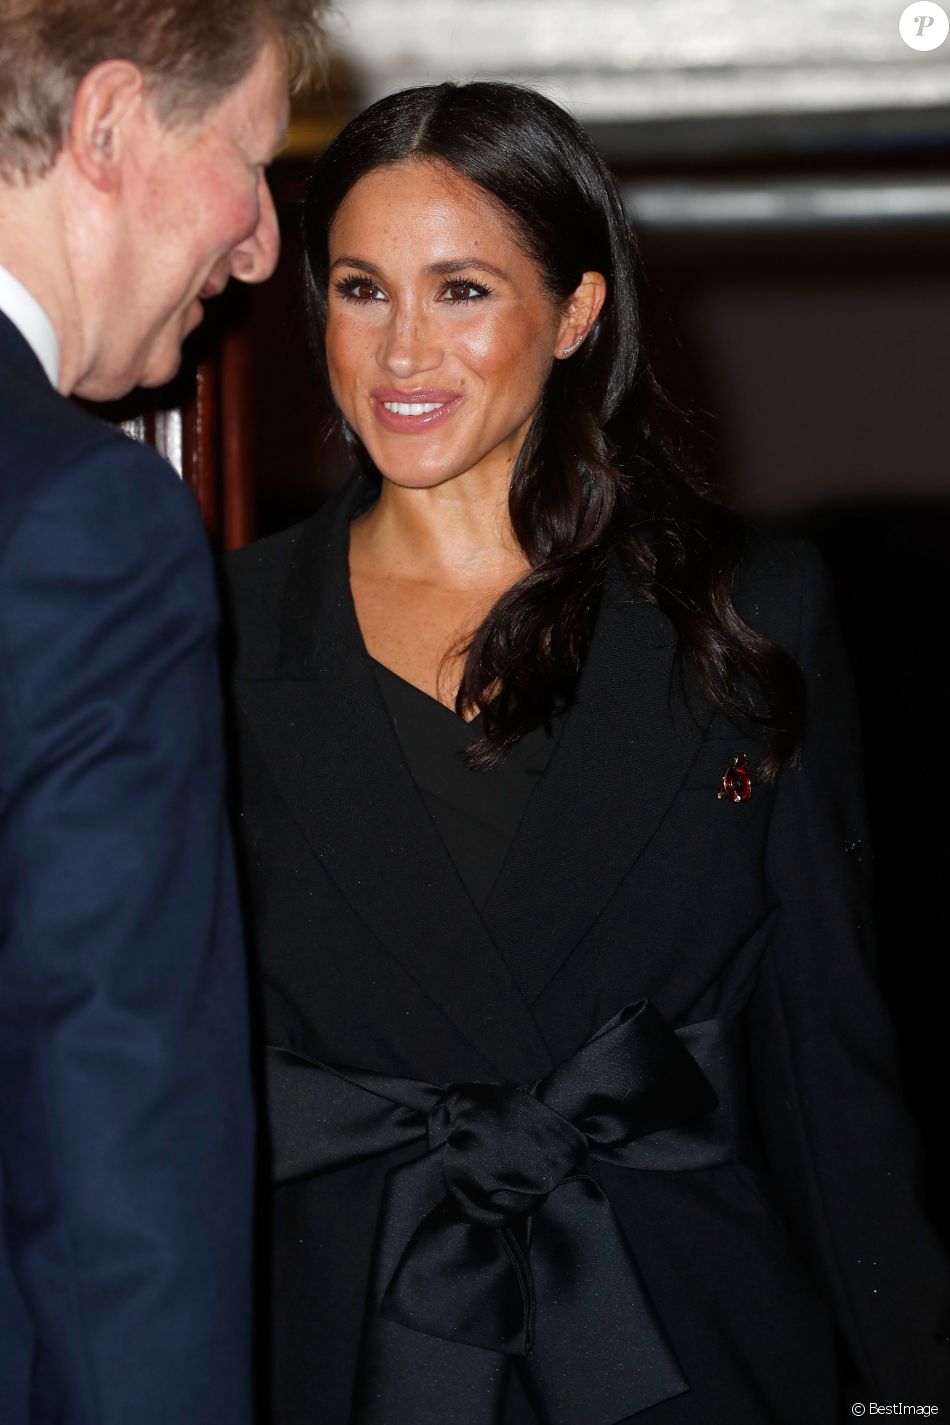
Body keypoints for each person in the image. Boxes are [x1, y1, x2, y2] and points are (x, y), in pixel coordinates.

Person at [225, 82, 950, 1425]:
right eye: (359, 289)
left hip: (688, 1326)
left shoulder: (744, 612)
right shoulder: (214, 639)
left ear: (573, 312)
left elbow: (824, 1049)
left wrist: (906, 1379)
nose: (398, 352)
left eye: (459, 292)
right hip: (341, 1336)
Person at [0, 3, 326, 1422]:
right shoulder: (84, 519)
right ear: (110, 124)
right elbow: (114, 1115)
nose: (261, 242)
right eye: (248, 160)